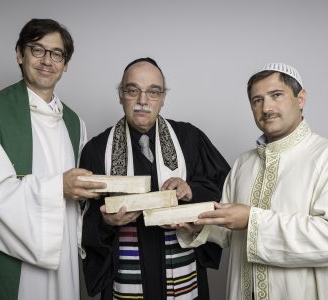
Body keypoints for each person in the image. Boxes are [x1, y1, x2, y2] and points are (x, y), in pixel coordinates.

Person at [177, 63, 328, 300]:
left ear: (301, 98)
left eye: (276, 95)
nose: (266, 107)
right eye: (257, 100)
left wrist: (253, 219)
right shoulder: (242, 163)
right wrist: (200, 227)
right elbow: (230, 231)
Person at [0, 18, 105, 300]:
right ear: (20, 54)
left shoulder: (75, 124)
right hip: (5, 261)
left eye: (56, 54)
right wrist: (56, 187)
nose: (47, 60)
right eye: (37, 50)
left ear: (65, 64)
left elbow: (80, 209)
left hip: (62, 264)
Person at [80, 57, 230, 299]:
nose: (143, 100)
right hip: (126, 275)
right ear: (121, 95)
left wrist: (191, 190)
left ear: (162, 98)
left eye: (153, 92)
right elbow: (78, 218)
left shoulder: (189, 139)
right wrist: (107, 223)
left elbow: (226, 188)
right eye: (132, 90)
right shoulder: (97, 150)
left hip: (183, 270)